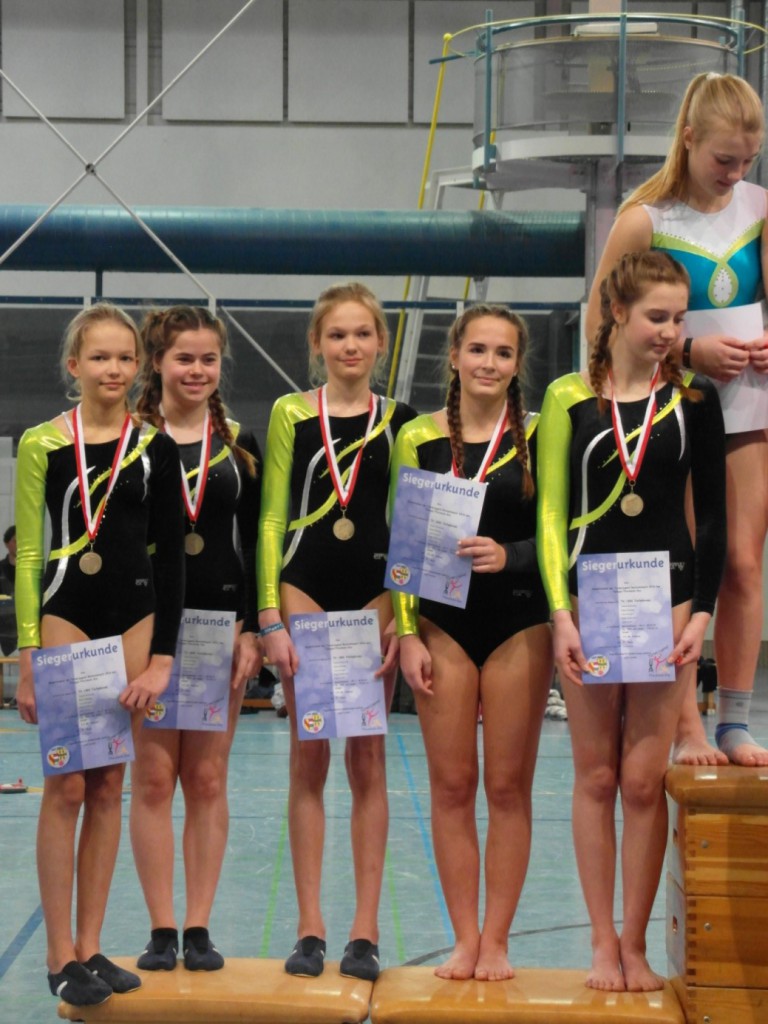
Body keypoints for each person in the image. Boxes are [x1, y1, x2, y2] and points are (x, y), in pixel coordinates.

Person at [539, 251, 726, 992]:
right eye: (657, 316)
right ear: (617, 312)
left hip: (665, 601)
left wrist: (702, 614)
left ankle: (636, 943)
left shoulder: (695, 399)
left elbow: (713, 519)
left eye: (679, 318)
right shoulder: (567, 397)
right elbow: (551, 514)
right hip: (587, 601)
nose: (670, 332)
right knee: (596, 775)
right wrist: (559, 614)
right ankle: (599, 942)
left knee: (645, 783)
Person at [586, 72, 768, 767]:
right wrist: (688, 352)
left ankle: (736, 720)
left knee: (742, 565)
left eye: (748, 161)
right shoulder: (646, 219)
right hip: (671, 415)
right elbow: (599, 325)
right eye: (724, 158)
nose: (735, 173)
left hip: (746, 407)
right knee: (685, 568)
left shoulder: (759, 208)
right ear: (688, 138)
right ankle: (686, 721)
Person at [14, 304, 185, 1007]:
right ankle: (59, 952)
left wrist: (163, 658)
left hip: (134, 619)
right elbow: (29, 554)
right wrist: (27, 651)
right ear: (74, 365)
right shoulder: (42, 444)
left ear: (138, 366)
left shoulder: (155, 449)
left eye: (124, 358)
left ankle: (90, 945)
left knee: (111, 785)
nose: (113, 370)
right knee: (67, 786)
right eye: (99, 357)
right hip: (65, 614)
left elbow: (171, 558)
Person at [257, 282, 415, 981]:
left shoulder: (403, 421)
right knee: (309, 759)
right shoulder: (292, 413)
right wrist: (269, 616)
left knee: (368, 762)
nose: (351, 346)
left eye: (363, 334)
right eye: (337, 335)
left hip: (375, 596)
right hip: (306, 589)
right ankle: (310, 927)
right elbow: (271, 519)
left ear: (381, 343)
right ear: (317, 344)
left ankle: (364, 931)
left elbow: (408, 524)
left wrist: (406, 619)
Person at [391, 305, 553, 981]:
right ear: (454, 355)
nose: (489, 363)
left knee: (508, 787)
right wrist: (406, 633)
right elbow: (404, 544)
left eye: (503, 353)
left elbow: (559, 529)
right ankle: (464, 937)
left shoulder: (542, 433)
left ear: (518, 365)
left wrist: (512, 555)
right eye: (478, 349)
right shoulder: (419, 436)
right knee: (453, 785)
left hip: (520, 622)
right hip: (442, 626)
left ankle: (498, 940)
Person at [129, 306, 262, 973]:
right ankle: (160, 927)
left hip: (219, 625)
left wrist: (255, 627)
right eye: (184, 358)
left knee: (207, 779)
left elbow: (258, 541)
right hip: (147, 626)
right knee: (154, 779)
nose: (197, 370)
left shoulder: (238, 443)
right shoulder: (129, 442)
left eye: (209, 359)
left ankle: (199, 926)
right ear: (157, 362)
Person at [0, 525, 17, 656]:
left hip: (28, 631)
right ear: (7, 544)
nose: (19, 545)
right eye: (15, 541)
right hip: (4, 633)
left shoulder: (32, 569)